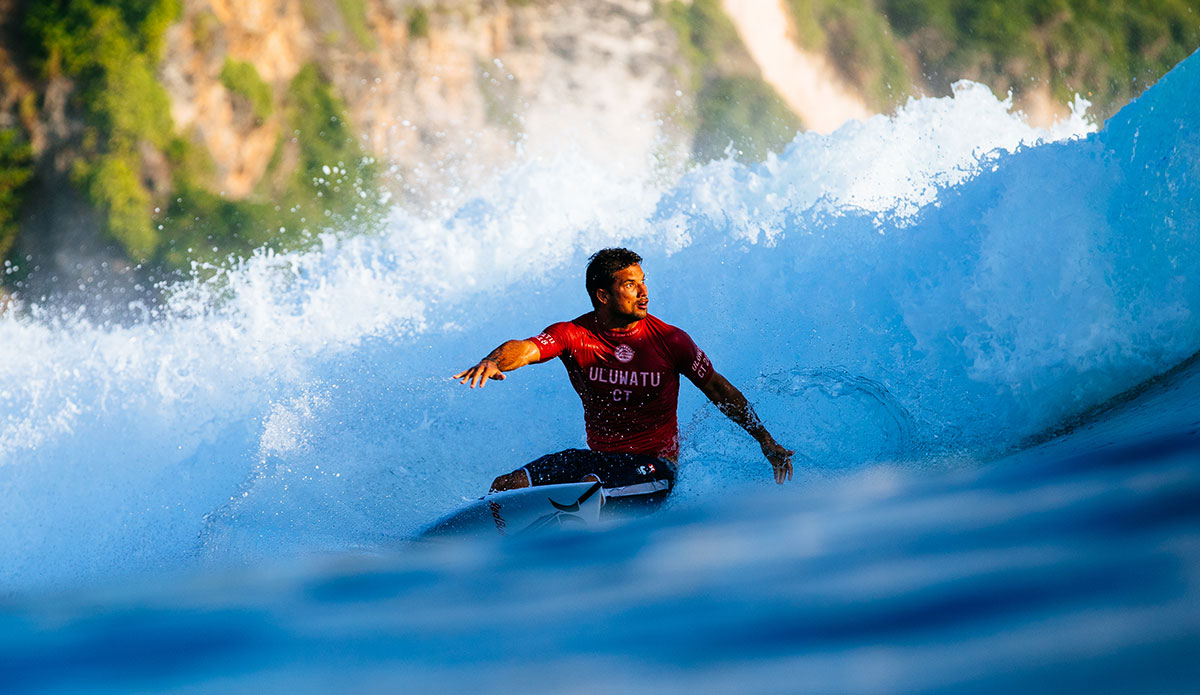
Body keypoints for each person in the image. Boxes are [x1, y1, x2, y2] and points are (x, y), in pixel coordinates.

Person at [453, 248, 793, 512]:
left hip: (655, 468)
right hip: (598, 460)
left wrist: (764, 438)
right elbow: (525, 349)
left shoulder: (671, 341)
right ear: (603, 295)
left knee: (588, 491)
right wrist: (492, 361)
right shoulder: (574, 335)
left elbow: (718, 389)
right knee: (505, 487)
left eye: (643, 282)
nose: (644, 292)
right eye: (631, 284)